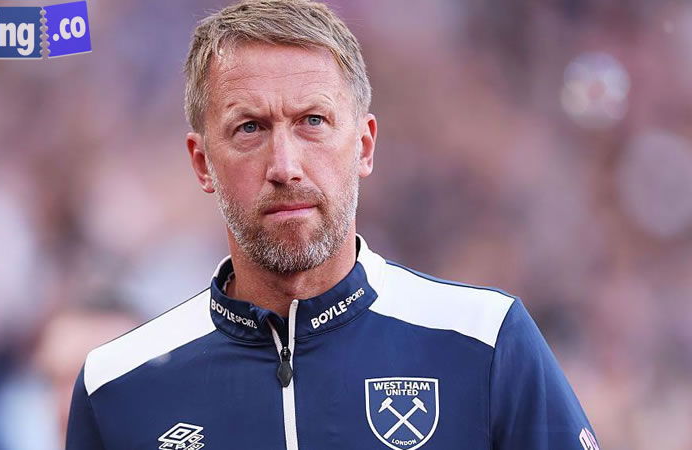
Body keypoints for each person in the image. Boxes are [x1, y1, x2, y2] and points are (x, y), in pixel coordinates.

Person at [66, 1, 600, 449]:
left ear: (364, 146)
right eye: (249, 128)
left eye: (313, 122)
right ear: (202, 163)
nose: (285, 166)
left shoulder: (487, 343)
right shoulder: (116, 387)